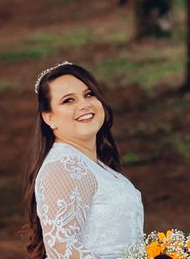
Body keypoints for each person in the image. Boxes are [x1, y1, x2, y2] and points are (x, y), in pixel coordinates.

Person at [23, 61, 144, 259]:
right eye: (68, 100)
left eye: (89, 94)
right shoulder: (64, 166)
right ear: (49, 117)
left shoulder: (95, 165)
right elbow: (61, 248)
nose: (84, 104)